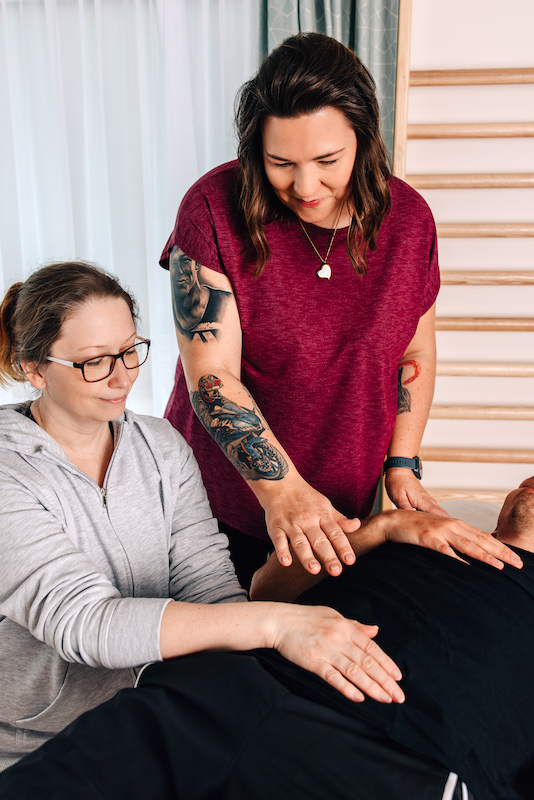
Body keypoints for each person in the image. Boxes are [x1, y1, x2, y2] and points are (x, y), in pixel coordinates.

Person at [0, 260, 411, 771]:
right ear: (34, 368)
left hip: (158, 718)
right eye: (95, 361)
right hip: (39, 750)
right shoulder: (8, 472)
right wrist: (278, 625)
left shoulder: (161, 446)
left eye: (130, 351)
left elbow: (212, 595)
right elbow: (87, 624)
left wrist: (377, 531)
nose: (121, 376)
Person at [0, 480, 531, 800]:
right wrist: (384, 528)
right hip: (226, 689)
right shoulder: (424, 531)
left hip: (396, 753)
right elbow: (261, 590)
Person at [160, 32, 445, 589]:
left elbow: (414, 347)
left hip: (345, 503)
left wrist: (402, 462)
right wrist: (282, 491)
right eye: (280, 163)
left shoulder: (408, 220)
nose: (306, 185)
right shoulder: (212, 208)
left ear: (364, 140)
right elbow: (212, 374)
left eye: (327, 160)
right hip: (216, 501)